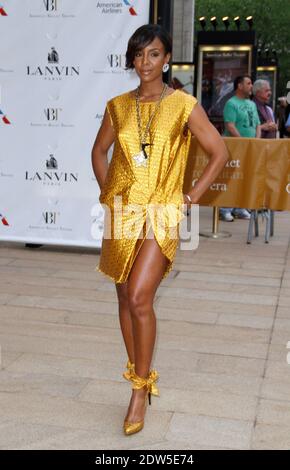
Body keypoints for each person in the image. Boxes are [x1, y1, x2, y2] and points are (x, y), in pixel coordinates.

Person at [91, 24, 228, 436]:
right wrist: (110, 193)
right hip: (123, 211)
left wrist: (188, 199)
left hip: (163, 212)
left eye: (152, 54)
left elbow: (218, 152)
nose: (144, 62)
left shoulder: (184, 105)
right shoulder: (117, 106)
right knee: (122, 293)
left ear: (167, 59)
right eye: (138, 55)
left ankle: (139, 388)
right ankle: (138, 370)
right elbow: (98, 152)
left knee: (139, 295)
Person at [220, 75, 261, 222]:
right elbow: (230, 125)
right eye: (249, 83)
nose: (251, 86)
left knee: (245, 177)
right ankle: (225, 208)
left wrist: (256, 141)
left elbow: (257, 124)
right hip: (235, 147)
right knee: (231, 177)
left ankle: (240, 207)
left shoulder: (252, 104)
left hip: (250, 147)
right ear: (240, 86)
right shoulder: (231, 103)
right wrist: (242, 142)